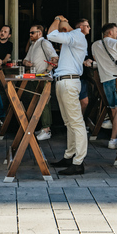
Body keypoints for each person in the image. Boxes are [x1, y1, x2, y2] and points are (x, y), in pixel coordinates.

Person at [47, 16, 89, 175]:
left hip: (69, 82)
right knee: (69, 122)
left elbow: (50, 35)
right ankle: (69, 156)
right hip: (65, 81)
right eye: (87, 25)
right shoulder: (74, 37)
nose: (89, 28)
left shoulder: (77, 35)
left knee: (76, 122)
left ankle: (78, 162)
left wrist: (57, 18)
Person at [91, 23, 117, 149]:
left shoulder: (95, 45)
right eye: (115, 31)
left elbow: (96, 61)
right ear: (110, 33)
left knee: (114, 110)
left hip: (105, 80)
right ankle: (113, 140)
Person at [23, 25, 58, 141]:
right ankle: (43, 127)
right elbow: (25, 59)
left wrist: (46, 71)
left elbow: (55, 58)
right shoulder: (33, 45)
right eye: (29, 32)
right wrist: (27, 63)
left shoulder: (44, 43)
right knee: (39, 102)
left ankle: (46, 129)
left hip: (43, 78)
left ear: (39, 33)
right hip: (35, 77)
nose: (30, 35)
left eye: (32, 33)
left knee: (44, 102)